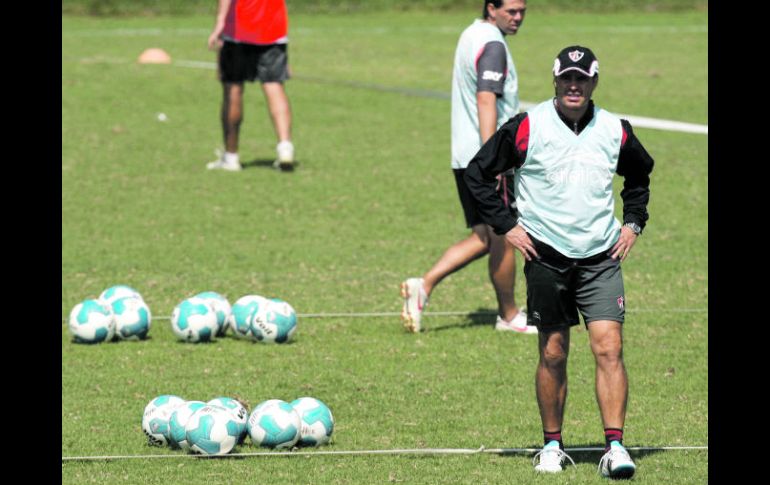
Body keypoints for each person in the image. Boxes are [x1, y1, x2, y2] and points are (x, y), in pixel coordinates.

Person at [464, 45, 654, 478]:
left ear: (594, 83)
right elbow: (478, 173)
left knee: (609, 347)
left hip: (602, 256)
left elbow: (640, 174)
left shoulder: (614, 129)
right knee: (553, 352)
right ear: (554, 80)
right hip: (545, 257)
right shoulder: (528, 127)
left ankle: (616, 447)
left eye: (582, 79)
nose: (574, 85)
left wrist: (634, 223)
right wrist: (506, 225)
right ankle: (552, 445)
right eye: (567, 78)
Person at [401, 0, 535, 335]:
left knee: (484, 237)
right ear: (492, 8)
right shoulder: (492, 44)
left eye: (522, 10)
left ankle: (424, 285)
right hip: (486, 160)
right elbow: (486, 99)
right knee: (505, 235)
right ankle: (509, 315)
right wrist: (493, 159)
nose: (518, 17)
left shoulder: (471, 34)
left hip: (463, 157)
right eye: (511, 11)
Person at [206, 0, 295, 172]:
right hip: (274, 28)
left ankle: (231, 157)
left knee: (233, 88)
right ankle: (285, 147)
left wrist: (220, 22)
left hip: (238, 30)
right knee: (274, 85)